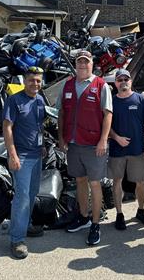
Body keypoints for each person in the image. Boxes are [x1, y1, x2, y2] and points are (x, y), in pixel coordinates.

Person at [57, 50, 113, 246]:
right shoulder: (68, 85)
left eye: (86, 62)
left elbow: (107, 114)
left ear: (92, 64)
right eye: (79, 62)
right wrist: (61, 138)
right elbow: (62, 113)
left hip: (93, 146)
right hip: (73, 144)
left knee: (95, 183)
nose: (82, 65)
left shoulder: (101, 85)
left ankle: (95, 224)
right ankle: (83, 217)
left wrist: (103, 140)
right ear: (75, 65)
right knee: (80, 180)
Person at [3, 66, 46, 259]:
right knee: (21, 198)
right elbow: (7, 128)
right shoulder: (14, 100)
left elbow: (39, 126)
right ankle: (17, 240)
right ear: (25, 81)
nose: (35, 84)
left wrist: (43, 145)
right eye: (31, 80)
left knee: (31, 194)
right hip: (21, 156)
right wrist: (12, 155)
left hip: (36, 155)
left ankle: (25, 226)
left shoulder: (39, 100)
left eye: (38, 81)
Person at [108, 69, 144, 230]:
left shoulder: (140, 100)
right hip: (117, 150)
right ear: (115, 83)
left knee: (140, 182)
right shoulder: (111, 102)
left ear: (131, 82)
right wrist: (117, 138)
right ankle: (119, 214)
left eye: (126, 79)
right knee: (117, 181)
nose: (123, 82)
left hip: (137, 150)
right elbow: (105, 125)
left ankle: (141, 210)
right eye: (119, 80)